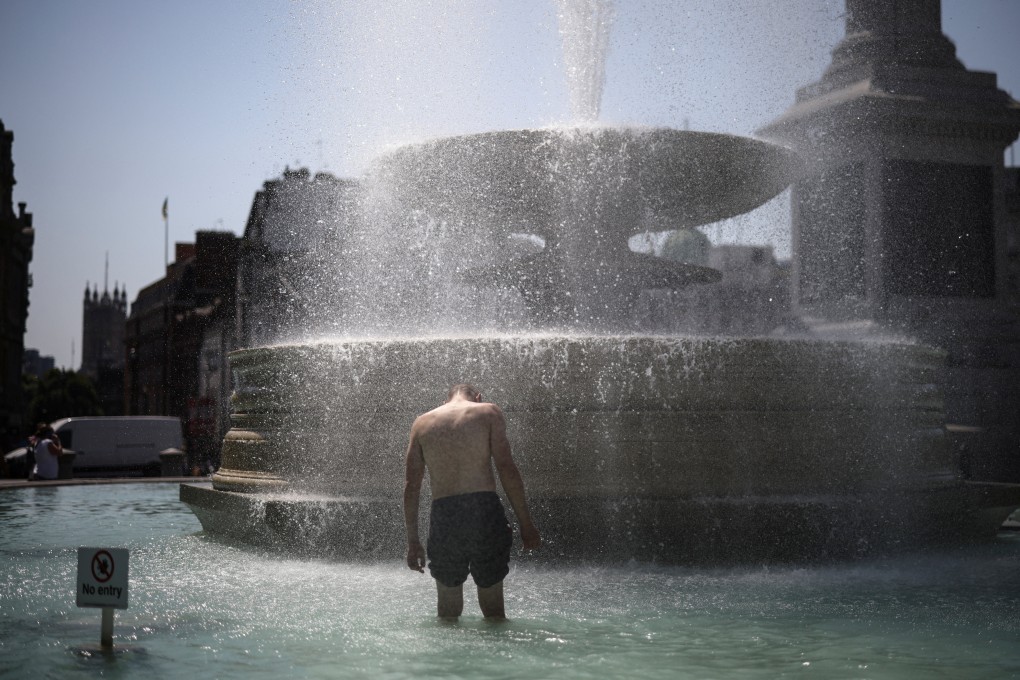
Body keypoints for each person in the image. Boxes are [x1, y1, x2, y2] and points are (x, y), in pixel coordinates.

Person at [404, 384, 541, 621]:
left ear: (445, 401)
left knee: (447, 614)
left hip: (445, 514)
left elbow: (411, 486)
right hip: (483, 511)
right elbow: (506, 467)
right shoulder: (487, 412)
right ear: (478, 397)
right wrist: (526, 524)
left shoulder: (422, 423)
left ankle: (448, 657)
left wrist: (413, 541)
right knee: (494, 612)